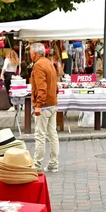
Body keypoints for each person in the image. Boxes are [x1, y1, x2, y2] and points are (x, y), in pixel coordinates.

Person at [30, 42, 59, 172]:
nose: (29, 54)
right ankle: (53, 163)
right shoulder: (49, 63)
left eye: (30, 51)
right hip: (52, 103)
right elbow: (55, 84)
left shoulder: (39, 65)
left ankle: (37, 165)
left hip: (44, 105)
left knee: (40, 135)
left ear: (34, 53)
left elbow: (41, 87)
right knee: (52, 134)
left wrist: (38, 105)